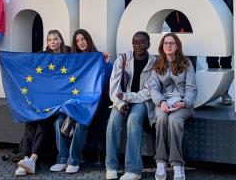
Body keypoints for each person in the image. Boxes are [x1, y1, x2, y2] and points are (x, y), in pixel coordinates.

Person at [50, 30, 111, 174]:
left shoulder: (99, 57)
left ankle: (73, 160)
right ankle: (62, 159)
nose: (81, 42)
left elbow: (106, 82)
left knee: (80, 124)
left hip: (90, 106)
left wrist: (106, 64)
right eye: (77, 41)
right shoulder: (71, 60)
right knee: (58, 122)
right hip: (71, 104)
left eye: (83, 39)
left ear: (88, 40)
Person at [15, 30, 67, 176]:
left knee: (44, 122)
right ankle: (26, 159)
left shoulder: (69, 56)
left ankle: (33, 159)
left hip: (58, 104)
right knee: (30, 122)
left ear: (61, 41)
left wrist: (101, 57)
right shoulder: (41, 57)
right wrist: (2, 58)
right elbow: (22, 62)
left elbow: (86, 60)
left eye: (55, 39)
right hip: (41, 102)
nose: (52, 42)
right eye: (49, 39)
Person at [105, 31, 156, 180]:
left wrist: (130, 97)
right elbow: (113, 86)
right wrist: (120, 103)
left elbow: (149, 91)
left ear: (149, 44)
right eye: (135, 42)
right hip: (121, 100)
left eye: (142, 42)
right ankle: (111, 166)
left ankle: (133, 169)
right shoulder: (122, 59)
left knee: (134, 120)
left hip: (141, 101)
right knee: (113, 122)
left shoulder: (154, 63)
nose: (138, 45)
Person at [148, 33, 197, 180]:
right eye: (165, 43)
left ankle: (177, 164)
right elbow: (154, 88)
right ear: (162, 47)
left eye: (172, 43)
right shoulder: (157, 64)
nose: (168, 45)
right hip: (163, 102)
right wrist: (161, 102)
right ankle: (161, 162)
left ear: (177, 46)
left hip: (182, 103)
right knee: (162, 119)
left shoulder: (186, 63)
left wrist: (184, 102)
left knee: (174, 121)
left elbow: (192, 88)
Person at [199, 0, 236, 105]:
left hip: (227, 25)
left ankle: (225, 93)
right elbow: (202, 3)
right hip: (211, 27)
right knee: (212, 61)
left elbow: (232, 3)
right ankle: (214, 90)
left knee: (226, 60)